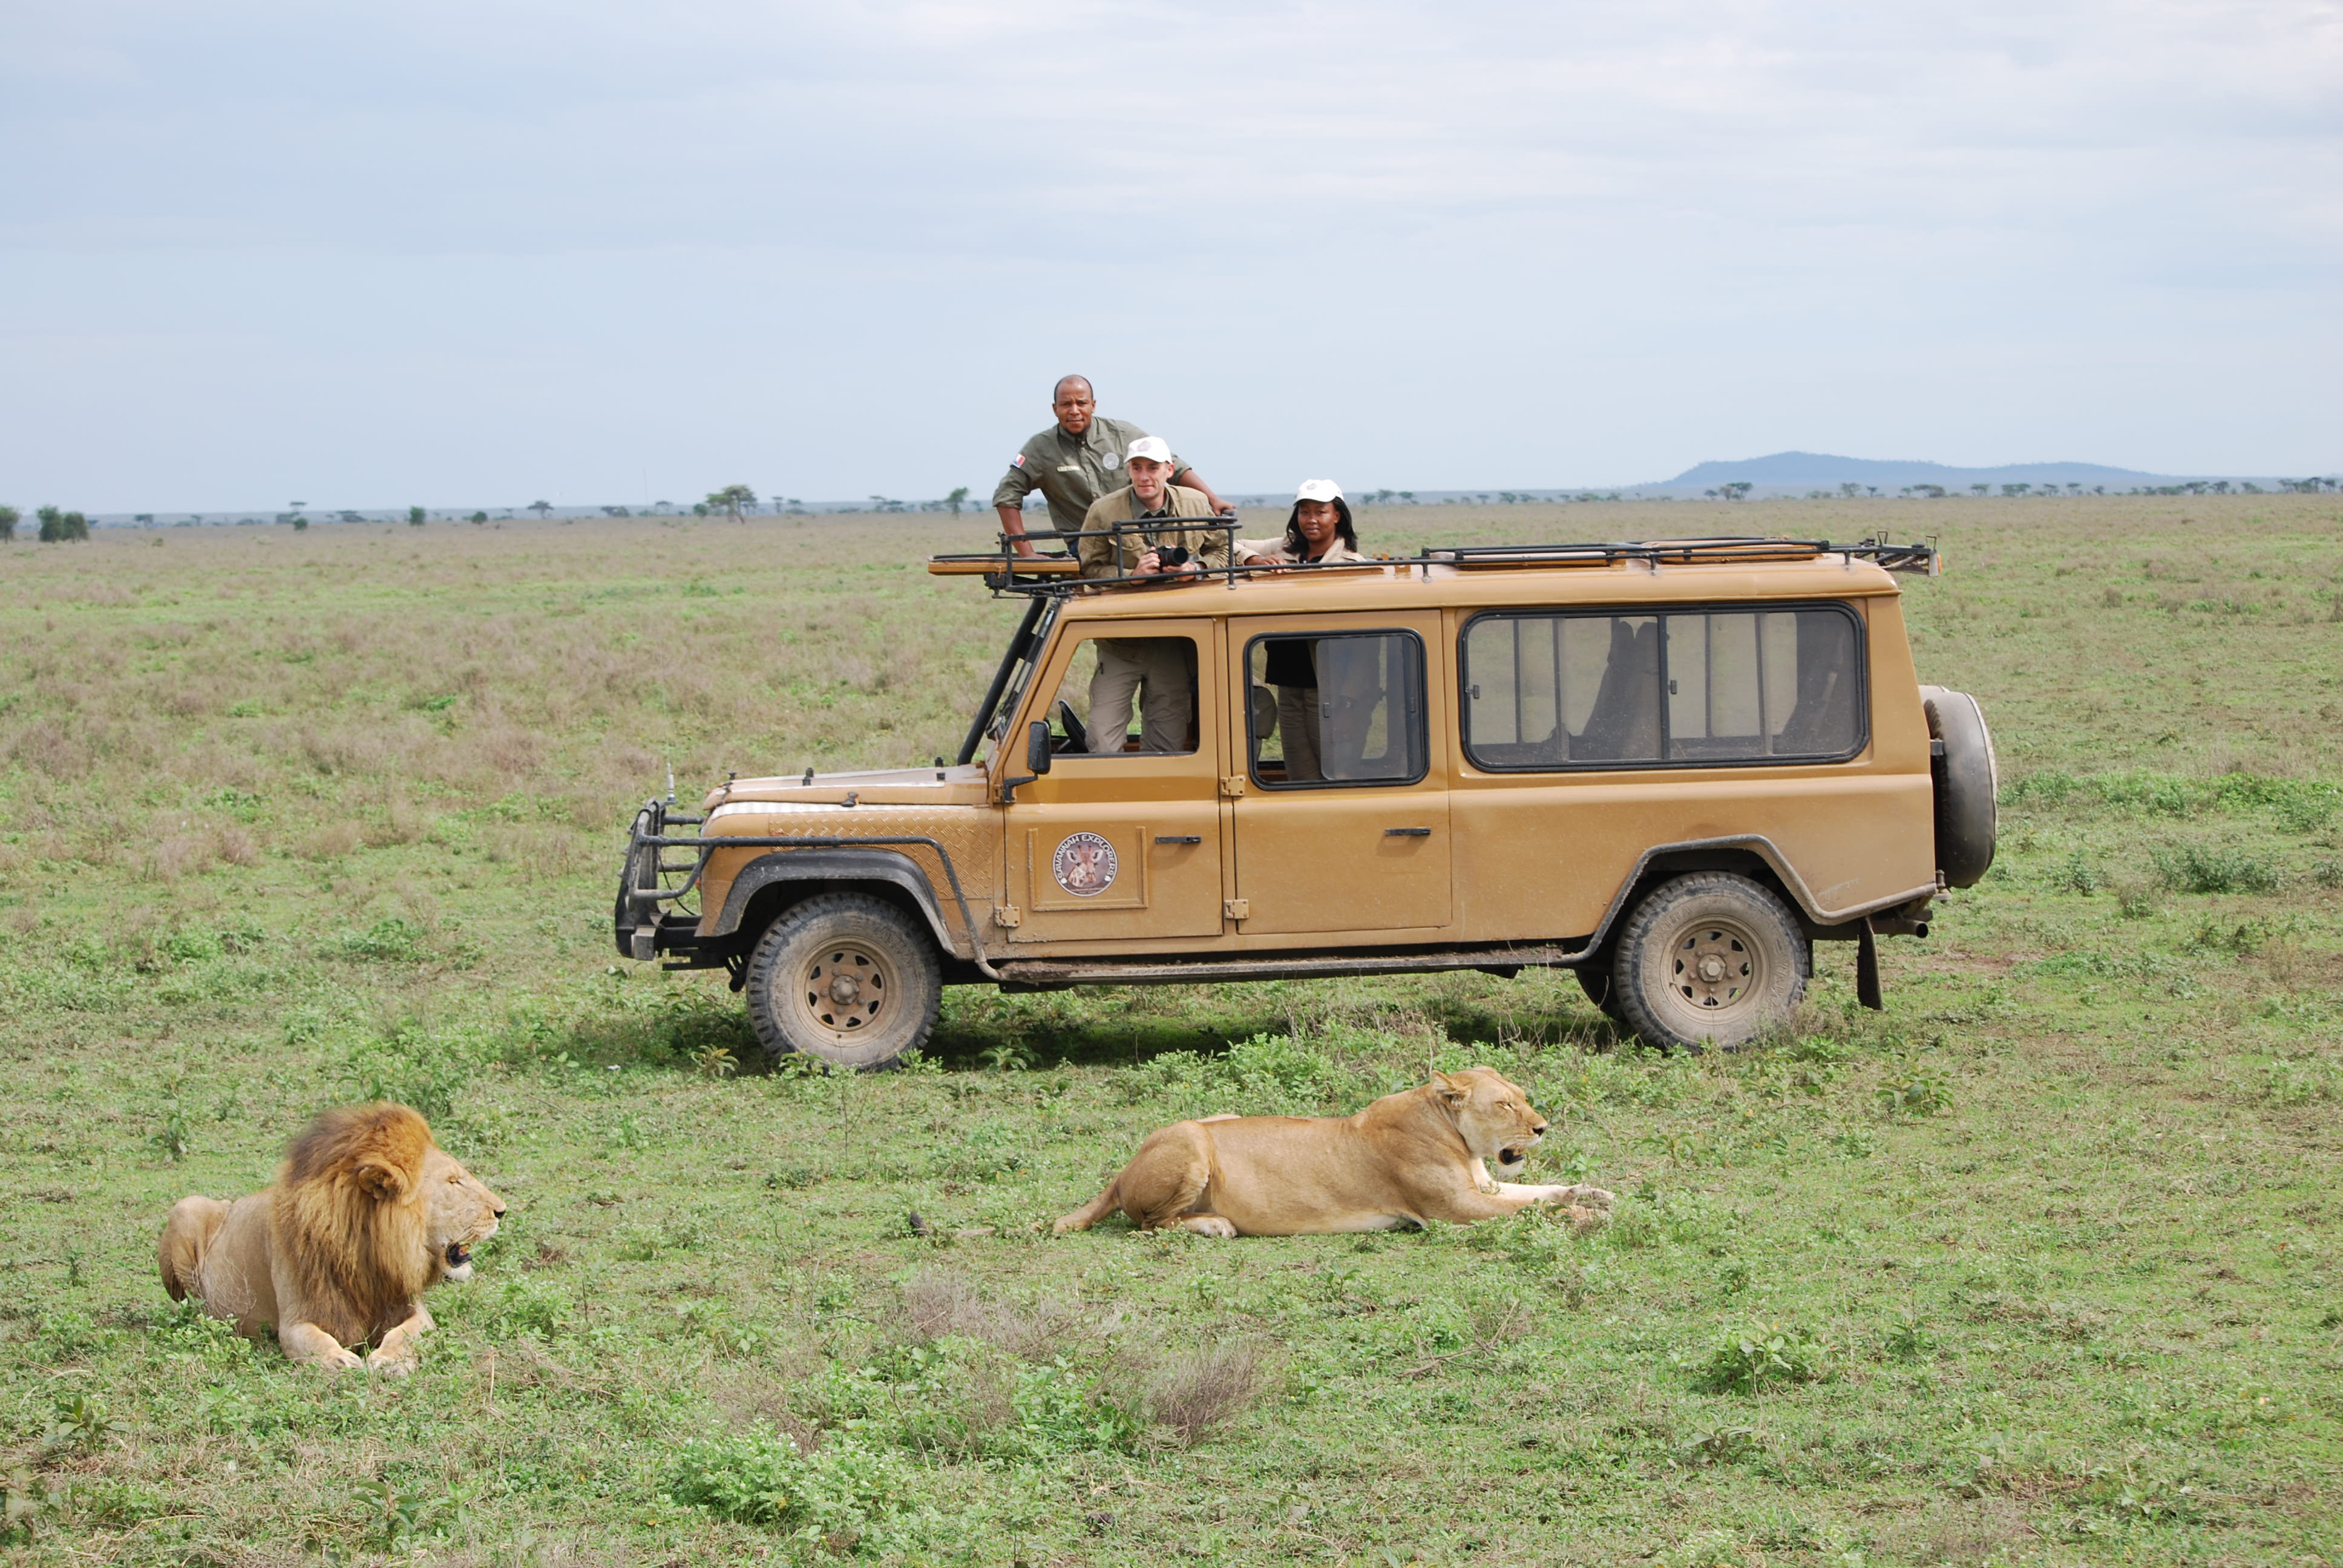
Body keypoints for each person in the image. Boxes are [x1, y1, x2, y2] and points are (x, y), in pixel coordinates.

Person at [1075, 437, 1228, 753]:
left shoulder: (1195, 504)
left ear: (1169, 470)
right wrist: (1132, 577)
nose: (1145, 477)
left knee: (1167, 740)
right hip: (1121, 641)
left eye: (1153, 468)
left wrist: (1196, 568)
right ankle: (1109, 798)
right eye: (1137, 468)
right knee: (1102, 739)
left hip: (1174, 639)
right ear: (1129, 472)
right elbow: (1089, 569)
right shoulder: (1104, 511)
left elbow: (1224, 550)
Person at [991, 376, 1228, 558]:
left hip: (1139, 536)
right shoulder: (1039, 448)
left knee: (1210, 557)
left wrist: (1213, 500)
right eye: (1066, 404)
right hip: (1087, 546)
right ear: (1055, 409)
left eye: (1081, 403)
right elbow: (1006, 495)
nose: (1074, 411)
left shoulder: (1123, 435)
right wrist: (1027, 554)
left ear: (1093, 405)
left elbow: (1172, 465)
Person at [1241, 481, 1370, 780]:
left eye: (1320, 512)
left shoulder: (1352, 566)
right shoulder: (1284, 549)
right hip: (1288, 680)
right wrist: (1255, 560)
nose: (1311, 520)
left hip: (1330, 686)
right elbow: (1228, 543)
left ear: (1337, 516)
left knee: (1335, 769)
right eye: (1304, 512)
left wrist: (1350, 699)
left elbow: (1365, 643)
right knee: (1298, 767)